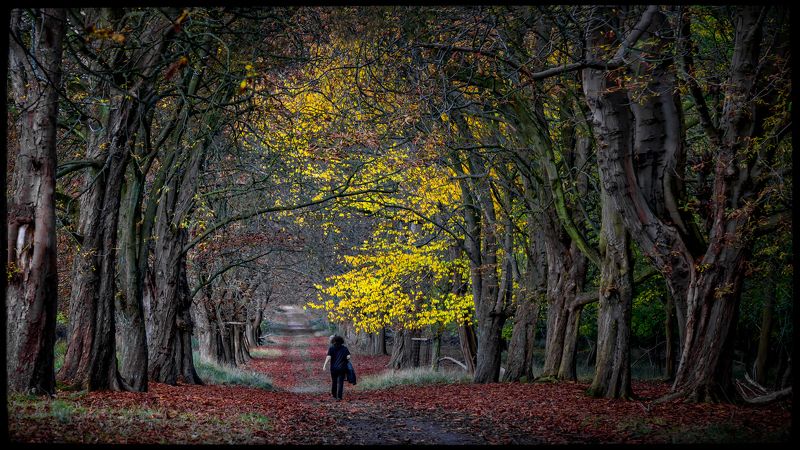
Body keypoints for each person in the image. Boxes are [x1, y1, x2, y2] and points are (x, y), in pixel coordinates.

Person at [322, 335, 351, 400]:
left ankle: (334, 394)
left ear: (334, 341)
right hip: (342, 368)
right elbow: (348, 356)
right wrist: (346, 358)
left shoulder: (331, 348)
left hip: (333, 368)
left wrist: (324, 365)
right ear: (341, 341)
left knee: (334, 381)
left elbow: (328, 357)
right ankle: (339, 397)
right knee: (340, 382)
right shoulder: (344, 348)